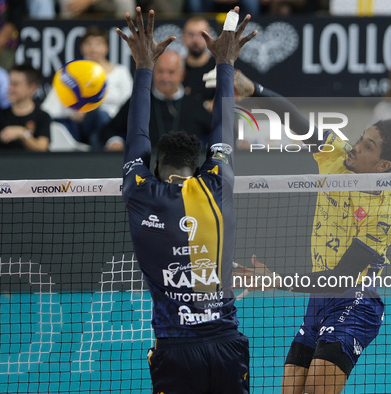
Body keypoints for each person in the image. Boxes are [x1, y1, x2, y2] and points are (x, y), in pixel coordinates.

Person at [232, 75, 391, 394]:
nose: (354, 146)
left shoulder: (385, 213)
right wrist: (256, 91)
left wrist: (275, 280)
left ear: (382, 165)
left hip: (356, 302)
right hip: (317, 301)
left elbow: (341, 277)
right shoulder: (336, 157)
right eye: (360, 137)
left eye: (367, 146)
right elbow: (297, 123)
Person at [118, 6, 256, 393]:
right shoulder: (217, 182)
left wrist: (144, 66)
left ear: (155, 165)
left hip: (176, 351)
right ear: (197, 163)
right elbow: (224, 125)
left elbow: (136, 134)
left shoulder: (141, 191)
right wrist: (225, 63)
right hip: (227, 345)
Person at [100, 49, 212, 151]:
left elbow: (215, 133)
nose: (165, 77)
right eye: (160, 71)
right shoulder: (139, 102)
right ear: (152, 72)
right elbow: (109, 130)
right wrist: (115, 141)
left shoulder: (194, 104)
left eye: (171, 72)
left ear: (182, 74)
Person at [41, 26, 131, 150]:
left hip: (114, 125)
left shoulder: (120, 72)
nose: (93, 48)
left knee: (102, 116)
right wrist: (71, 114)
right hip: (81, 126)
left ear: (107, 47)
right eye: (88, 43)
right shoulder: (72, 73)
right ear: (82, 47)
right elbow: (50, 107)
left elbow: (129, 104)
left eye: (98, 43)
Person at [0, 64, 50, 152]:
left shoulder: (43, 117)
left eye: (16, 84)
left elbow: (42, 148)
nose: (10, 88)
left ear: (32, 88)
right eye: (10, 83)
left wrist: (22, 134)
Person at [182, 16, 216, 103]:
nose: (195, 40)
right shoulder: (175, 69)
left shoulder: (219, 68)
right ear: (183, 38)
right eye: (190, 34)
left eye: (201, 35)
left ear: (210, 37)